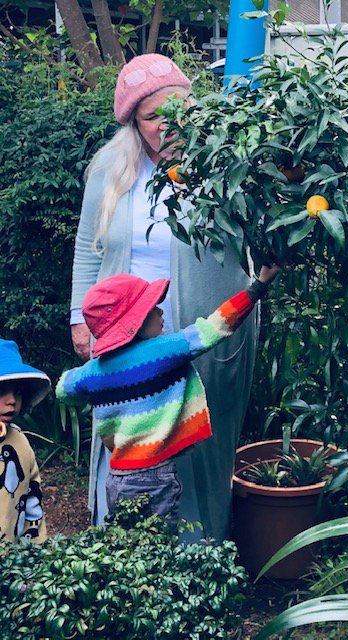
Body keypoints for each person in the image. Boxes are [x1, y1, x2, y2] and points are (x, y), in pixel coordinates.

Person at [70, 53, 259, 541]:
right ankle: (124, 547)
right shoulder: (111, 170)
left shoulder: (221, 159)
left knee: (199, 434)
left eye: (176, 109)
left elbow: (261, 223)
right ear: (134, 124)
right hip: (124, 336)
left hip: (204, 325)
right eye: (152, 116)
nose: (167, 124)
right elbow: (88, 247)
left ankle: (201, 550)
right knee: (128, 432)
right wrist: (78, 318)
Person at [58, 266, 279, 529]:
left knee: (127, 543)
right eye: (152, 308)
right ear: (135, 323)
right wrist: (257, 287)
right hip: (154, 475)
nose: (161, 312)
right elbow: (216, 326)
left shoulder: (92, 372)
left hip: (116, 478)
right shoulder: (163, 351)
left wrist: (96, 385)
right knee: (158, 543)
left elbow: (64, 389)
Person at [0, 339, 49, 543]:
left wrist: (36, 547)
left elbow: (32, 496)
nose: (11, 400)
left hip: (13, 556)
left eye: (17, 392)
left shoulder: (20, 442)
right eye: (1, 390)